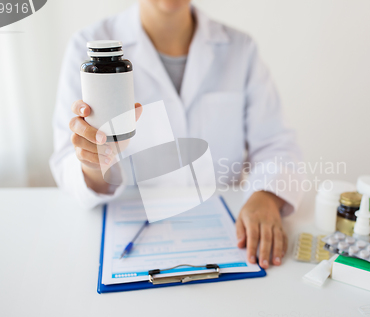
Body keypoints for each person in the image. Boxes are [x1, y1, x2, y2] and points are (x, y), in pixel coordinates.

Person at [50, 0, 303, 269]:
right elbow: (67, 160)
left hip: (226, 232)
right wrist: (92, 165)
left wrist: (266, 195)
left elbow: (276, 143)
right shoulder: (87, 45)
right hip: (130, 232)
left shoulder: (240, 49)